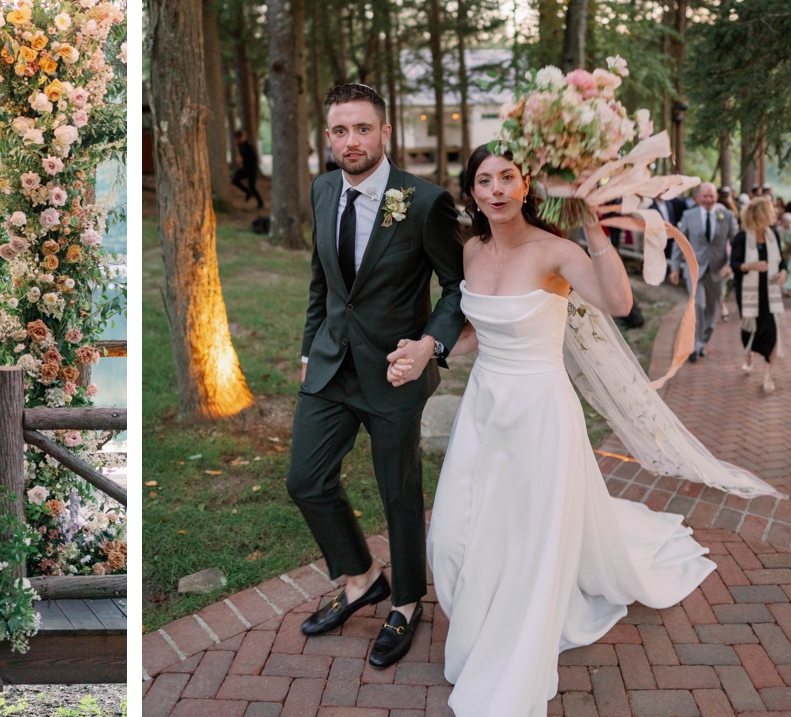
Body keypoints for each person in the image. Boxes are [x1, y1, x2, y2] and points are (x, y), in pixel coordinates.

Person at [421, 145, 723, 717]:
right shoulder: (472, 251)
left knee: (529, 535)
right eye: (484, 181)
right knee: (456, 532)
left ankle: (515, 641)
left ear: (527, 183)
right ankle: (479, 615)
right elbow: (478, 331)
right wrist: (429, 348)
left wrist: (594, 229)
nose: (496, 190)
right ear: (472, 192)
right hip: (485, 408)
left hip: (539, 411)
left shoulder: (556, 252)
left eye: (507, 177)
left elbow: (617, 299)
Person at [290, 83, 466, 669]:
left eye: (362, 128)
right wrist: (309, 348)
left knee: (398, 492)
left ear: (385, 133)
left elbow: (456, 287)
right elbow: (323, 280)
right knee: (306, 481)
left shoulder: (423, 201)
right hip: (332, 364)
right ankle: (362, 576)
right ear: (329, 136)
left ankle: (408, 602)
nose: (351, 141)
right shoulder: (320, 189)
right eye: (340, 130)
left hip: (396, 371)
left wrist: (429, 345)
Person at [667, 183, 736, 359]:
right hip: (694, 268)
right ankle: (695, 344)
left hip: (717, 271)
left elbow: (737, 243)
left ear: (716, 197)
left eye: (711, 196)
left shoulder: (727, 216)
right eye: (705, 196)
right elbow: (679, 242)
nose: (708, 200)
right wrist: (675, 267)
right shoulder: (688, 216)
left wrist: (730, 264)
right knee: (698, 305)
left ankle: (703, 341)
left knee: (712, 310)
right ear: (697, 197)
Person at [732, 198, 784, 393]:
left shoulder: (774, 236)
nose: (774, 215)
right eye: (770, 212)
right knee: (748, 332)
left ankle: (767, 376)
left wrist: (783, 273)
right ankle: (749, 355)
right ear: (759, 215)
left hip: (771, 294)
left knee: (771, 331)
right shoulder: (742, 238)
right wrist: (751, 266)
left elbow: (783, 262)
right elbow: (734, 265)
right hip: (748, 294)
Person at [231, 129, 264, 209]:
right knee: (235, 179)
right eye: (236, 139)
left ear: (243, 137)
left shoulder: (248, 145)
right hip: (245, 167)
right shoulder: (240, 145)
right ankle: (247, 192)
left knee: (252, 186)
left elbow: (254, 158)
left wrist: (243, 159)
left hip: (252, 168)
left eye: (239, 139)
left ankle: (261, 203)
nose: (238, 141)